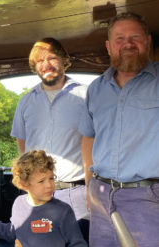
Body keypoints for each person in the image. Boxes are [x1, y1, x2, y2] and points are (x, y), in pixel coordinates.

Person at [79, 12, 159, 246]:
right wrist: (88, 184)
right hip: (100, 195)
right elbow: (88, 137)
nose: (128, 44)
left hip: (148, 196)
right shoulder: (95, 89)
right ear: (109, 46)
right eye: (120, 39)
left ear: (148, 41)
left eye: (135, 37)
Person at [11, 38, 89, 221]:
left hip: (76, 194)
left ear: (64, 60)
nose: (46, 65)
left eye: (52, 58)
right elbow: (22, 145)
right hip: (36, 195)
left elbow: (96, 141)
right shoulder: (26, 102)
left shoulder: (86, 95)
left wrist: (91, 187)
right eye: (39, 61)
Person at [0, 150, 87, 247]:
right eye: (41, 181)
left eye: (51, 178)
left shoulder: (63, 211)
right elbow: (14, 231)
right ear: (24, 184)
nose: (49, 185)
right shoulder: (18, 203)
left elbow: (77, 243)